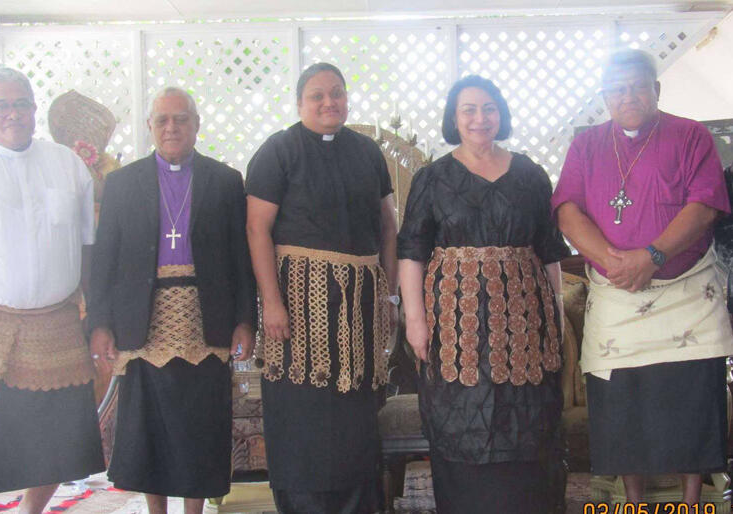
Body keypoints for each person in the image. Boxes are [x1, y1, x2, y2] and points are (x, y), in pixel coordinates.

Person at [553, 49, 733, 504]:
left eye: (636, 86)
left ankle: (690, 500)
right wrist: (613, 261)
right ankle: (634, 501)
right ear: (605, 97)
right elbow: (568, 210)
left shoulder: (690, 136)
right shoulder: (587, 144)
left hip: (686, 288)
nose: (627, 95)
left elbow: (705, 204)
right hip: (617, 291)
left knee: (691, 396)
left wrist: (651, 255)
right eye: (616, 89)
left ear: (656, 90)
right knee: (622, 403)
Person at [397, 74, 569, 514]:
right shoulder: (431, 178)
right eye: (468, 110)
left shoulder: (529, 174)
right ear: (454, 118)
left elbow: (549, 251)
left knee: (529, 424)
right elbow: (412, 253)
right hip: (455, 327)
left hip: (526, 324)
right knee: (460, 421)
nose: (479, 118)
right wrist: (415, 320)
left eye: (488, 108)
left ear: (501, 114)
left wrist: (558, 316)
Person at [86, 87, 257, 514]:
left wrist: (244, 320)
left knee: (199, 424)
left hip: (207, 318)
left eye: (181, 119)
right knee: (148, 427)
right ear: (149, 127)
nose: (171, 127)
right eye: (162, 120)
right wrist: (100, 323)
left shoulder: (225, 180)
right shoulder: (122, 183)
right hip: (142, 320)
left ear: (197, 125)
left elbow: (242, 258)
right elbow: (103, 259)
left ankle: (194, 511)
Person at [245, 62, 398, 514]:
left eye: (337, 93)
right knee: (302, 415)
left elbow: (388, 227)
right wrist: (271, 303)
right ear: (299, 103)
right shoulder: (277, 151)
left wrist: (390, 296)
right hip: (298, 309)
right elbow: (257, 231)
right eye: (317, 95)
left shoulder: (368, 152)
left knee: (355, 416)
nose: (329, 102)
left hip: (362, 307)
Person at [0, 68, 104, 514]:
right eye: (1, 105)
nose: (12, 114)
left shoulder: (66, 164)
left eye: (21, 103)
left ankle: (32, 511)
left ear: (34, 109)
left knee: (56, 438)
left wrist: (94, 318)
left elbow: (88, 248)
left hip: (58, 322)